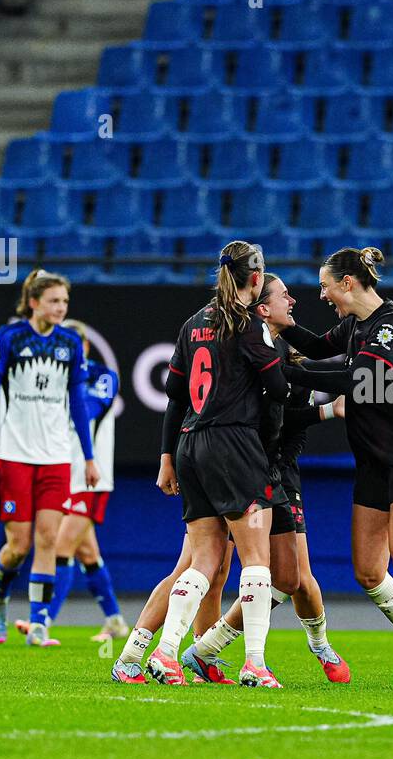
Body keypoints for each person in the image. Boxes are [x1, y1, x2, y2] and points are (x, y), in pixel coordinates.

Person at [112, 240, 288, 686]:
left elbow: (174, 396)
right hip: (235, 445)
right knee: (257, 561)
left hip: (191, 445)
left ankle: (164, 653)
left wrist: (167, 457)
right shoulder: (250, 325)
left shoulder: (193, 324)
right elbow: (278, 389)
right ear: (256, 278)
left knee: (203, 561)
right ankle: (255, 663)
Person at [277, 246, 393, 690]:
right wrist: (280, 324)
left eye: (325, 286)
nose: (322, 295)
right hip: (374, 459)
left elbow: (361, 378)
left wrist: (288, 375)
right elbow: (318, 347)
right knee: (369, 571)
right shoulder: (356, 324)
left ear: (348, 282)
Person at [182, 274, 351, 684]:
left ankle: (201, 651)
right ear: (261, 307)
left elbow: (292, 414)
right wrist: (328, 410)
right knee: (211, 567)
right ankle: (174, 651)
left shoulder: (286, 353)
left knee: (292, 577)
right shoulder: (244, 349)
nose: (293, 301)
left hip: (275, 469)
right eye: (284, 295)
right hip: (238, 464)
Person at [0, 271, 98, 647]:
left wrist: (88, 457)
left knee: (48, 538)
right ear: (33, 302)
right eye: (54, 301)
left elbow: (78, 403)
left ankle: (39, 622)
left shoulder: (70, 343)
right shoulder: (9, 338)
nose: (61, 308)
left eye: (65, 301)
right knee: (19, 546)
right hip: (13, 453)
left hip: (56, 456)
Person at [12, 319, 127, 642]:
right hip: (62, 475)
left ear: (85, 347)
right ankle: (115, 621)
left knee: (61, 546)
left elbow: (88, 410)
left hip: (91, 479)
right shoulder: (52, 380)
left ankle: (43, 620)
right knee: (87, 553)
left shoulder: (103, 377)